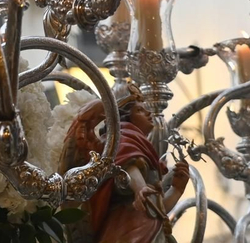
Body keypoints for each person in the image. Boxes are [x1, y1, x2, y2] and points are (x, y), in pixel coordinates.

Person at [60, 83, 191, 243]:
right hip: (127, 230)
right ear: (125, 117)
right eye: (140, 110)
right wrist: (140, 187)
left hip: (147, 230)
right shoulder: (118, 141)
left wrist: (177, 189)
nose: (148, 113)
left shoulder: (142, 149)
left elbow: (155, 210)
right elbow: (126, 165)